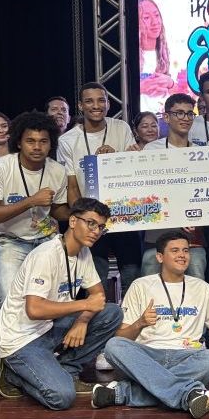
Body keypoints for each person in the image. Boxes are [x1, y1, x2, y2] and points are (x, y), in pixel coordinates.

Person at [91, 231, 209, 419]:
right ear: (159, 257)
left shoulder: (202, 287)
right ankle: (188, 394)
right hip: (147, 356)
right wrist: (140, 323)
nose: (182, 255)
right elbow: (121, 337)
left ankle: (123, 393)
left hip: (187, 356)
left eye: (185, 250)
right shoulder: (140, 285)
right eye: (175, 250)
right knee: (113, 346)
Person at [0, 198, 123, 410]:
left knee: (112, 313)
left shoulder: (83, 252)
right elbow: (34, 309)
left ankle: (67, 370)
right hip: (22, 339)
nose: (96, 231)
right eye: (90, 223)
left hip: (50, 327)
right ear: (72, 221)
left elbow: (98, 296)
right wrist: (83, 305)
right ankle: (13, 374)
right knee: (61, 397)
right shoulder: (46, 255)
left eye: (100, 227)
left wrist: (82, 321)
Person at [56, 82, 141, 296]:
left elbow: (134, 170)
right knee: (96, 280)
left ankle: (131, 317)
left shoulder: (121, 128)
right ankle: (98, 317)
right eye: (89, 101)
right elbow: (72, 186)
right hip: (92, 220)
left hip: (124, 215)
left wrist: (115, 159)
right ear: (80, 105)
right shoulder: (67, 140)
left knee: (132, 275)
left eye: (101, 100)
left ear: (108, 103)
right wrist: (84, 219)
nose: (96, 106)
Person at [0, 112, 69, 304]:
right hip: (10, 239)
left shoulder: (57, 170)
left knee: (53, 299)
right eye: (30, 141)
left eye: (43, 141)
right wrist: (31, 201)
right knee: (10, 301)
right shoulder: (1, 167)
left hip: (46, 239)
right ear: (19, 143)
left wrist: (79, 212)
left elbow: (57, 211)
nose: (37, 147)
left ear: (51, 144)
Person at [141, 94, 206, 282]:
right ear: (167, 117)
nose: (185, 118)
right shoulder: (151, 150)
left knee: (197, 277)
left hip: (192, 239)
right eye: (179, 113)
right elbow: (146, 191)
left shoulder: (202, 153)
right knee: (150, 279)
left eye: (189, 114)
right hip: (157, 236)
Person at [139, 0, 173, 113]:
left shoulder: (168, 52)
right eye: (146, 17)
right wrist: (140, 88)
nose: (155, 22)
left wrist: (170, 83)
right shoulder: (128, 57)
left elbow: (185, 90)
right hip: (139, 117)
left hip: (166, 117)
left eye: (157, 15)